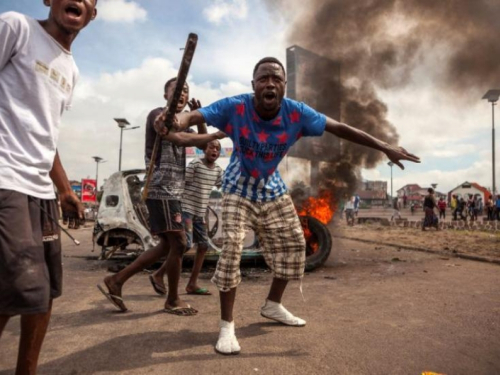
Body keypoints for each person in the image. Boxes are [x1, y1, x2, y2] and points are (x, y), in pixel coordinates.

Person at [168, 57, 420, 354]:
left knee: (295, 246)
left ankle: (273, 305)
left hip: (272, 187)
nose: (270, 83)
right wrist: (176, 120)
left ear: (284, 86)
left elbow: (339, 128)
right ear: (253, 86)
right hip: (238, 186)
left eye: (276, 78)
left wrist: (384, 146)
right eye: (263, 78)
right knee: (233, 248)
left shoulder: (297, 113)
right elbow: (195, 116)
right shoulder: (236, 106)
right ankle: (227, 327)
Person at [0, 2, 96, 373]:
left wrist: (64, 189)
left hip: (40, 190)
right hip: (6, 178)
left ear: (93, 14)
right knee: (21, 288)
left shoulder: (70, 69)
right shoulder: (16, 27)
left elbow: (46, 135)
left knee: (47, 291)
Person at [98, 78, 225, 315]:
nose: (182, 94)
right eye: (176, 90)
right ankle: (173, 300)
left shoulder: (184, 120)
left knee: (168, 244)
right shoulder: (158, 115)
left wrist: (201, 120)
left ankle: (118, 280)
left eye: (185, 91)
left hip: (174, 191)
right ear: (165, 94)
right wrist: (218, 133)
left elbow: (199, 145)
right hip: (162, 188)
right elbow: (182, 139)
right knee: (180, 243)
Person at [151, 139, 224, 296]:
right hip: (186, 209)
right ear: (204, 149)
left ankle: (192, 284)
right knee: (185, 245)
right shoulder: (195, 165)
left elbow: (224, 184)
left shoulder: (218, 170)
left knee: (203, 245)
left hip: (200, 212)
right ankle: (159, 274)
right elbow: (182, 183)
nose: (215, 151)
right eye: (212, 147)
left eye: (218, 149)